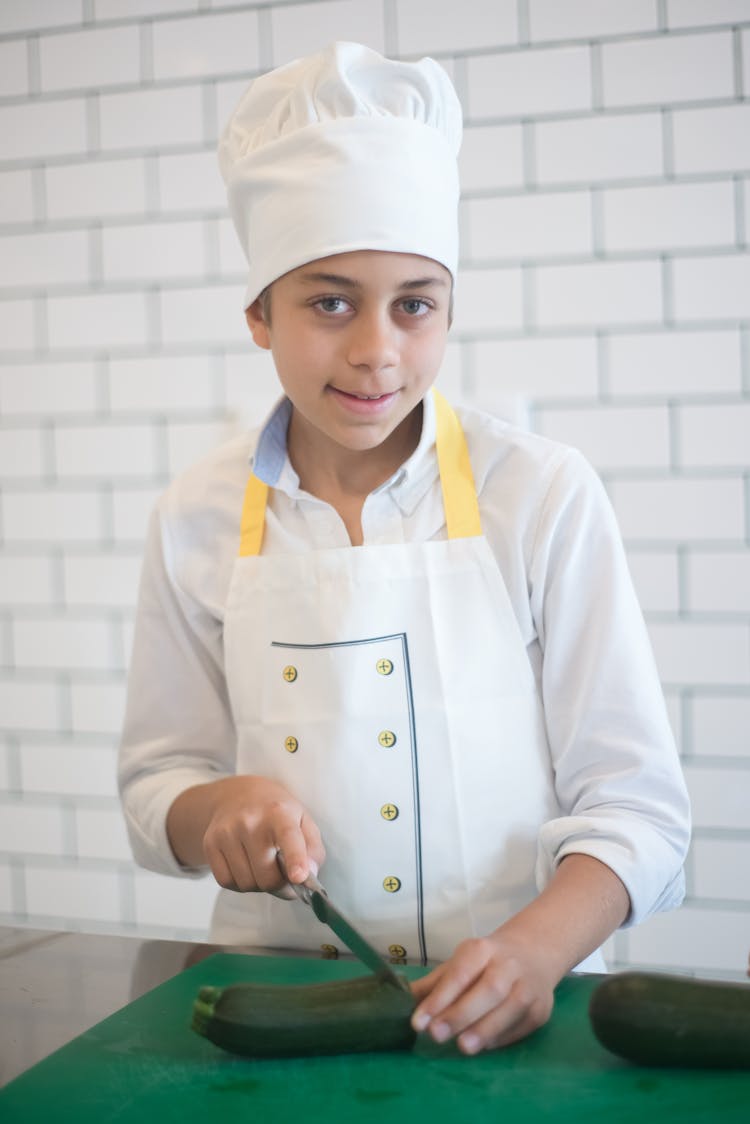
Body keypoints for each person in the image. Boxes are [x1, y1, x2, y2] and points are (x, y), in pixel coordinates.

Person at [118, 41, 690, 1056]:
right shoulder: (195, 515)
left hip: (522, 1020)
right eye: (329, 300)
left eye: (415, 303)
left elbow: (639, 807)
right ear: (259, 312)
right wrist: (218, 810)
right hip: (278, 1008)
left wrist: (536, 949)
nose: (378, 347)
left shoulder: (544, 496)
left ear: (450, 308)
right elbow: (158, 782)